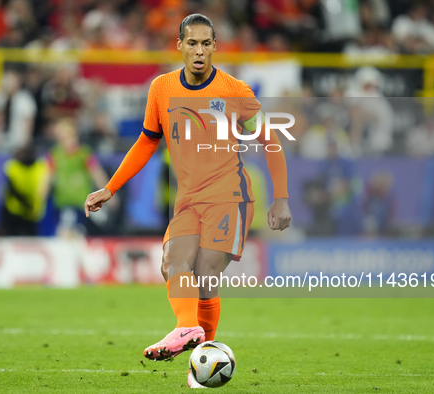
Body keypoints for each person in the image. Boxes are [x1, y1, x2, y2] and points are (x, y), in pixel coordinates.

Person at [83, 14, 291, 388]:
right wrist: (110, 188)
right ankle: (190, 336)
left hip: (230, 198)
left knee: (206, 276)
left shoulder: (235, 91)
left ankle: (198, 353)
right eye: (191, 43)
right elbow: (147, 140)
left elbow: (270, 140)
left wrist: (281, 198)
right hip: (189, 201)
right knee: (172, 263)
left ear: (215, 47)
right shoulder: (161, 88)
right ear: (178, 45)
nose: (198, 51)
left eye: (205, 43)